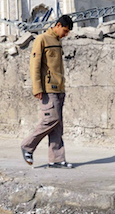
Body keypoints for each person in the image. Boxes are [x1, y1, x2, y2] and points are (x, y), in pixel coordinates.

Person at [20, 15, 74, 169]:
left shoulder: (57, 41)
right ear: (57, 25)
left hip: (59, 88)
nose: (66, 34)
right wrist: (37, 87)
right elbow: (34, 64)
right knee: (50, 120)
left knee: (57, 124)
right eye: (64, 30)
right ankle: (27, 146)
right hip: (47, 88)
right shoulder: (42, 39)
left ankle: (56, 160)